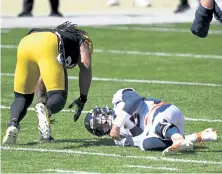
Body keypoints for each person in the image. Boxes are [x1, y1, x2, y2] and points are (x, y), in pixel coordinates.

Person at [2, 21, 93, 145]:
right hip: (49, 43)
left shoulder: (60, 36)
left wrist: (41, 102)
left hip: (26, 41)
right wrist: (83, 98)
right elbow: (85, 67)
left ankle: (13, 124)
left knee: (22, 97)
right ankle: (47, 109)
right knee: (58, 96)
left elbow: (42, 79)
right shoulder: (81, 40)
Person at [84, 88, 218, 155]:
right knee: (146, 144)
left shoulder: (117, 99)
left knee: (155, 125)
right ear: (101, 133)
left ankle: (178, 139)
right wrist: (127, 125)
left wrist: (118, 123)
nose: (104, 122)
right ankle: (195, 137)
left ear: (102, 110)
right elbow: (140, 136)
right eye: (100, 126)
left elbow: (135, 99)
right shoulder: (119, 138)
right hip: (161, 129)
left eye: (100, 119)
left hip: (163, 111)